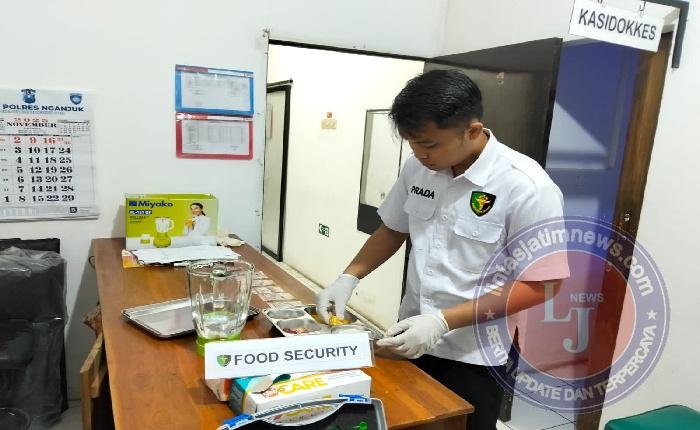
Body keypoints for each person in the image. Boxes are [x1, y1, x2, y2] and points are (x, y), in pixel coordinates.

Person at [316, 69, 569, 430]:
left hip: (476, 353)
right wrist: (348, 277)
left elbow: (543, 284)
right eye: (412, 144)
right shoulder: (418, 169)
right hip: (410, 332)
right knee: (407, 419)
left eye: (429, 145)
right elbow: (393, 228)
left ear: (473, 130)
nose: (419, 154)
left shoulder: (526, 186)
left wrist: (442, 321)